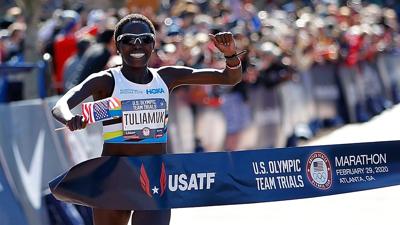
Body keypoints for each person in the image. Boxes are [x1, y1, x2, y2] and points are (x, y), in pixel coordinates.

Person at [51, 13, 242, 225]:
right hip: (114, 176)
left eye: (145, 39)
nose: (137, 45)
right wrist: (70, 119)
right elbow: (61, 105)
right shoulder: (106, 80)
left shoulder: (167, 77)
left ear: (154, 43)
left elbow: (229, 78)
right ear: (117, 44)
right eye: (128, 40)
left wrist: (231, 56)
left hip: (154, 177)